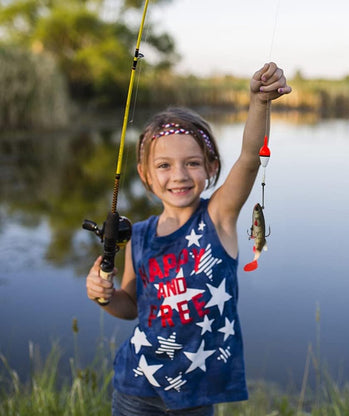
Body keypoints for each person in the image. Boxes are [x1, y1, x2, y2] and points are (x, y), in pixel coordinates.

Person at [86, 62, 291, 416]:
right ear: (145, 175)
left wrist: (259, 103)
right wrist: (103, 297)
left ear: (212, 167)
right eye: (164, 165)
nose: (178, 175)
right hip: (135, 386)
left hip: (196, 392)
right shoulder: (140, 235)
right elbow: (131, 306)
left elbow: (249, 158)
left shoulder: (218, 218)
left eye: (193, 163)